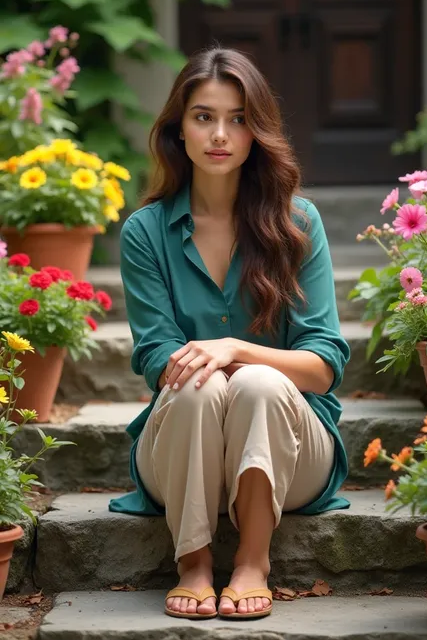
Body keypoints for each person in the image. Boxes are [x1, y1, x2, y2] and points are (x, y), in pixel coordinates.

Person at [109, 47, 351, 621]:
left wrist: (238, 350)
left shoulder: (298, 223)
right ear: (179, 129)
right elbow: (154, 356)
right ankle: (192, 563)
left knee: (261, 384)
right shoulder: (145, 232)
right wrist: (214, 368)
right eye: (203, 116)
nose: (220, 134)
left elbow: (322, 365)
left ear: (256, 131)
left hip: (290, 451)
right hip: (182, 444)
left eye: (238, 118)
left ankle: (251, 562)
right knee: (197, 384)